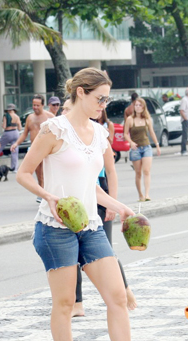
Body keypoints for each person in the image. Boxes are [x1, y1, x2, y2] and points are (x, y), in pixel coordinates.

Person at [16, 67, 163, 341]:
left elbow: (90, 188)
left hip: (90, 226)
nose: (103, 105)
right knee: (65, 304)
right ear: (80, 92)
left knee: (118, 297)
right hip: (55, 229)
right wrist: (48, 196)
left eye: (107, 100)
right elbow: (23, 174)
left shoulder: (99, 133)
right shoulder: (54, 129)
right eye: (99, 99)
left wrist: (120, 206)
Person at [74, 106, 137, 317]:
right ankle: (77, 303)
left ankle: (124, 289)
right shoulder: (66, 134)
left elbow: (111, 171)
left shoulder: (99, 133)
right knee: (73, 254)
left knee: (105, 250)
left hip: (100, 189)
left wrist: (113, 203)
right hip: (77, 192)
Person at [11, 94, 55, 197]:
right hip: (34, 149)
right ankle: (43, 195)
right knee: (38, 175)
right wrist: (16, 143)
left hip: (46, 150)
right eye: (34, 105)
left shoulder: (50, 117)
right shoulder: (30, 118)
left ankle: (46, 195)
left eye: (37, 105)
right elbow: (25, 133)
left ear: (43, 105)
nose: (35, 107)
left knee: (45, 174)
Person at [125, 97, 161, 201]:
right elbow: (125, 134)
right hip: (135, 148)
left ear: (143, 107)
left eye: (140, 105)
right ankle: (140, 194)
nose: (138, 107)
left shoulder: (147, 119)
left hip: (146, 147)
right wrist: (131, 142)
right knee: (138, 172)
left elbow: (152, 132)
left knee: (146, 171)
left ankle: (147, 194)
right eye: (136, 105)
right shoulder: (130, 119)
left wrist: (157, 145)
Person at [0, 103, 21, 171]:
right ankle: (14, 168)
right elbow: (20, 128)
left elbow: (4, 126)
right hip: (15, 132)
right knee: (14, 150)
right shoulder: (17, 116)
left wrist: (2, 125)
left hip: (8, 133)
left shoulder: (6, 115)